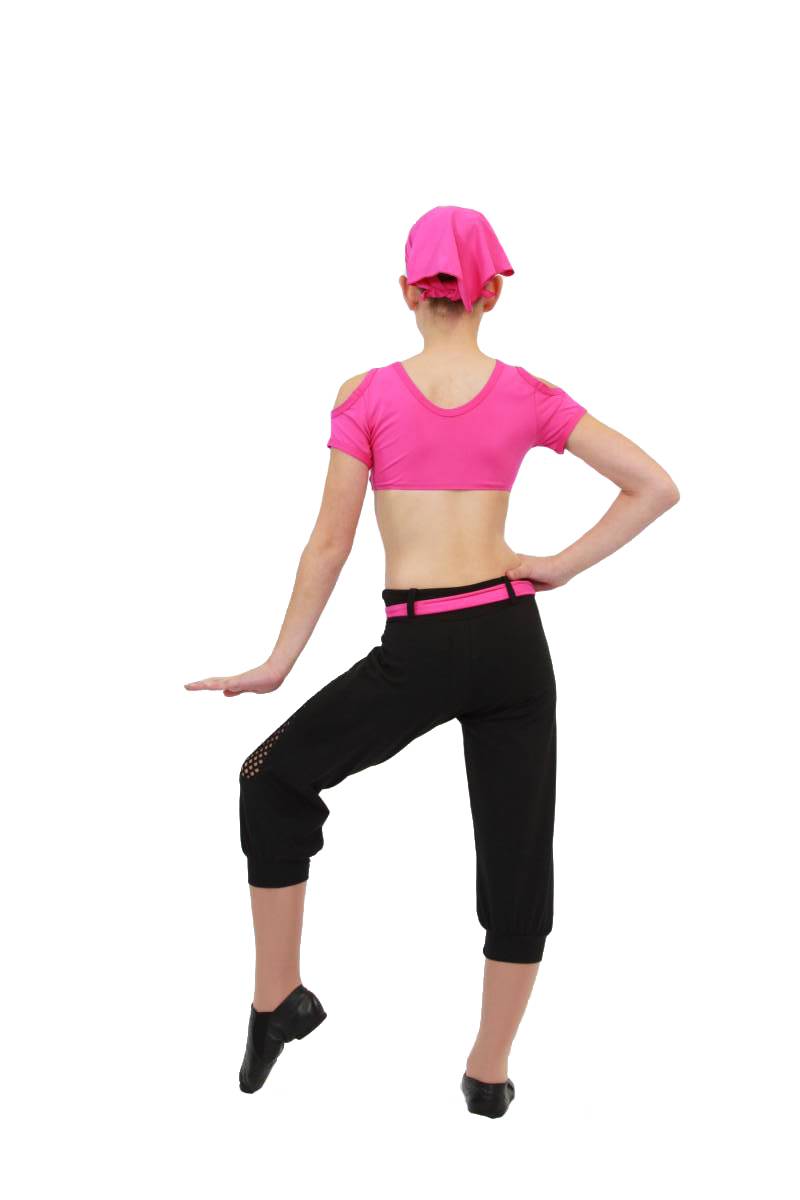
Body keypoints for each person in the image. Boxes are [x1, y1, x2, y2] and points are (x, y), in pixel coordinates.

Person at [185, 205, 680, 1118]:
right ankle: (488, 1072)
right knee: (519, 864)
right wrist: (558, 566)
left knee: (270, 779)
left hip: (418, 646)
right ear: (492, 296)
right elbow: (654, 486)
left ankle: (276, 1000)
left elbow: (329, 544)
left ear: (408, 292)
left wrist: (279, 662)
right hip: (511, 644)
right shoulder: (529, 392)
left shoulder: (366, 394)